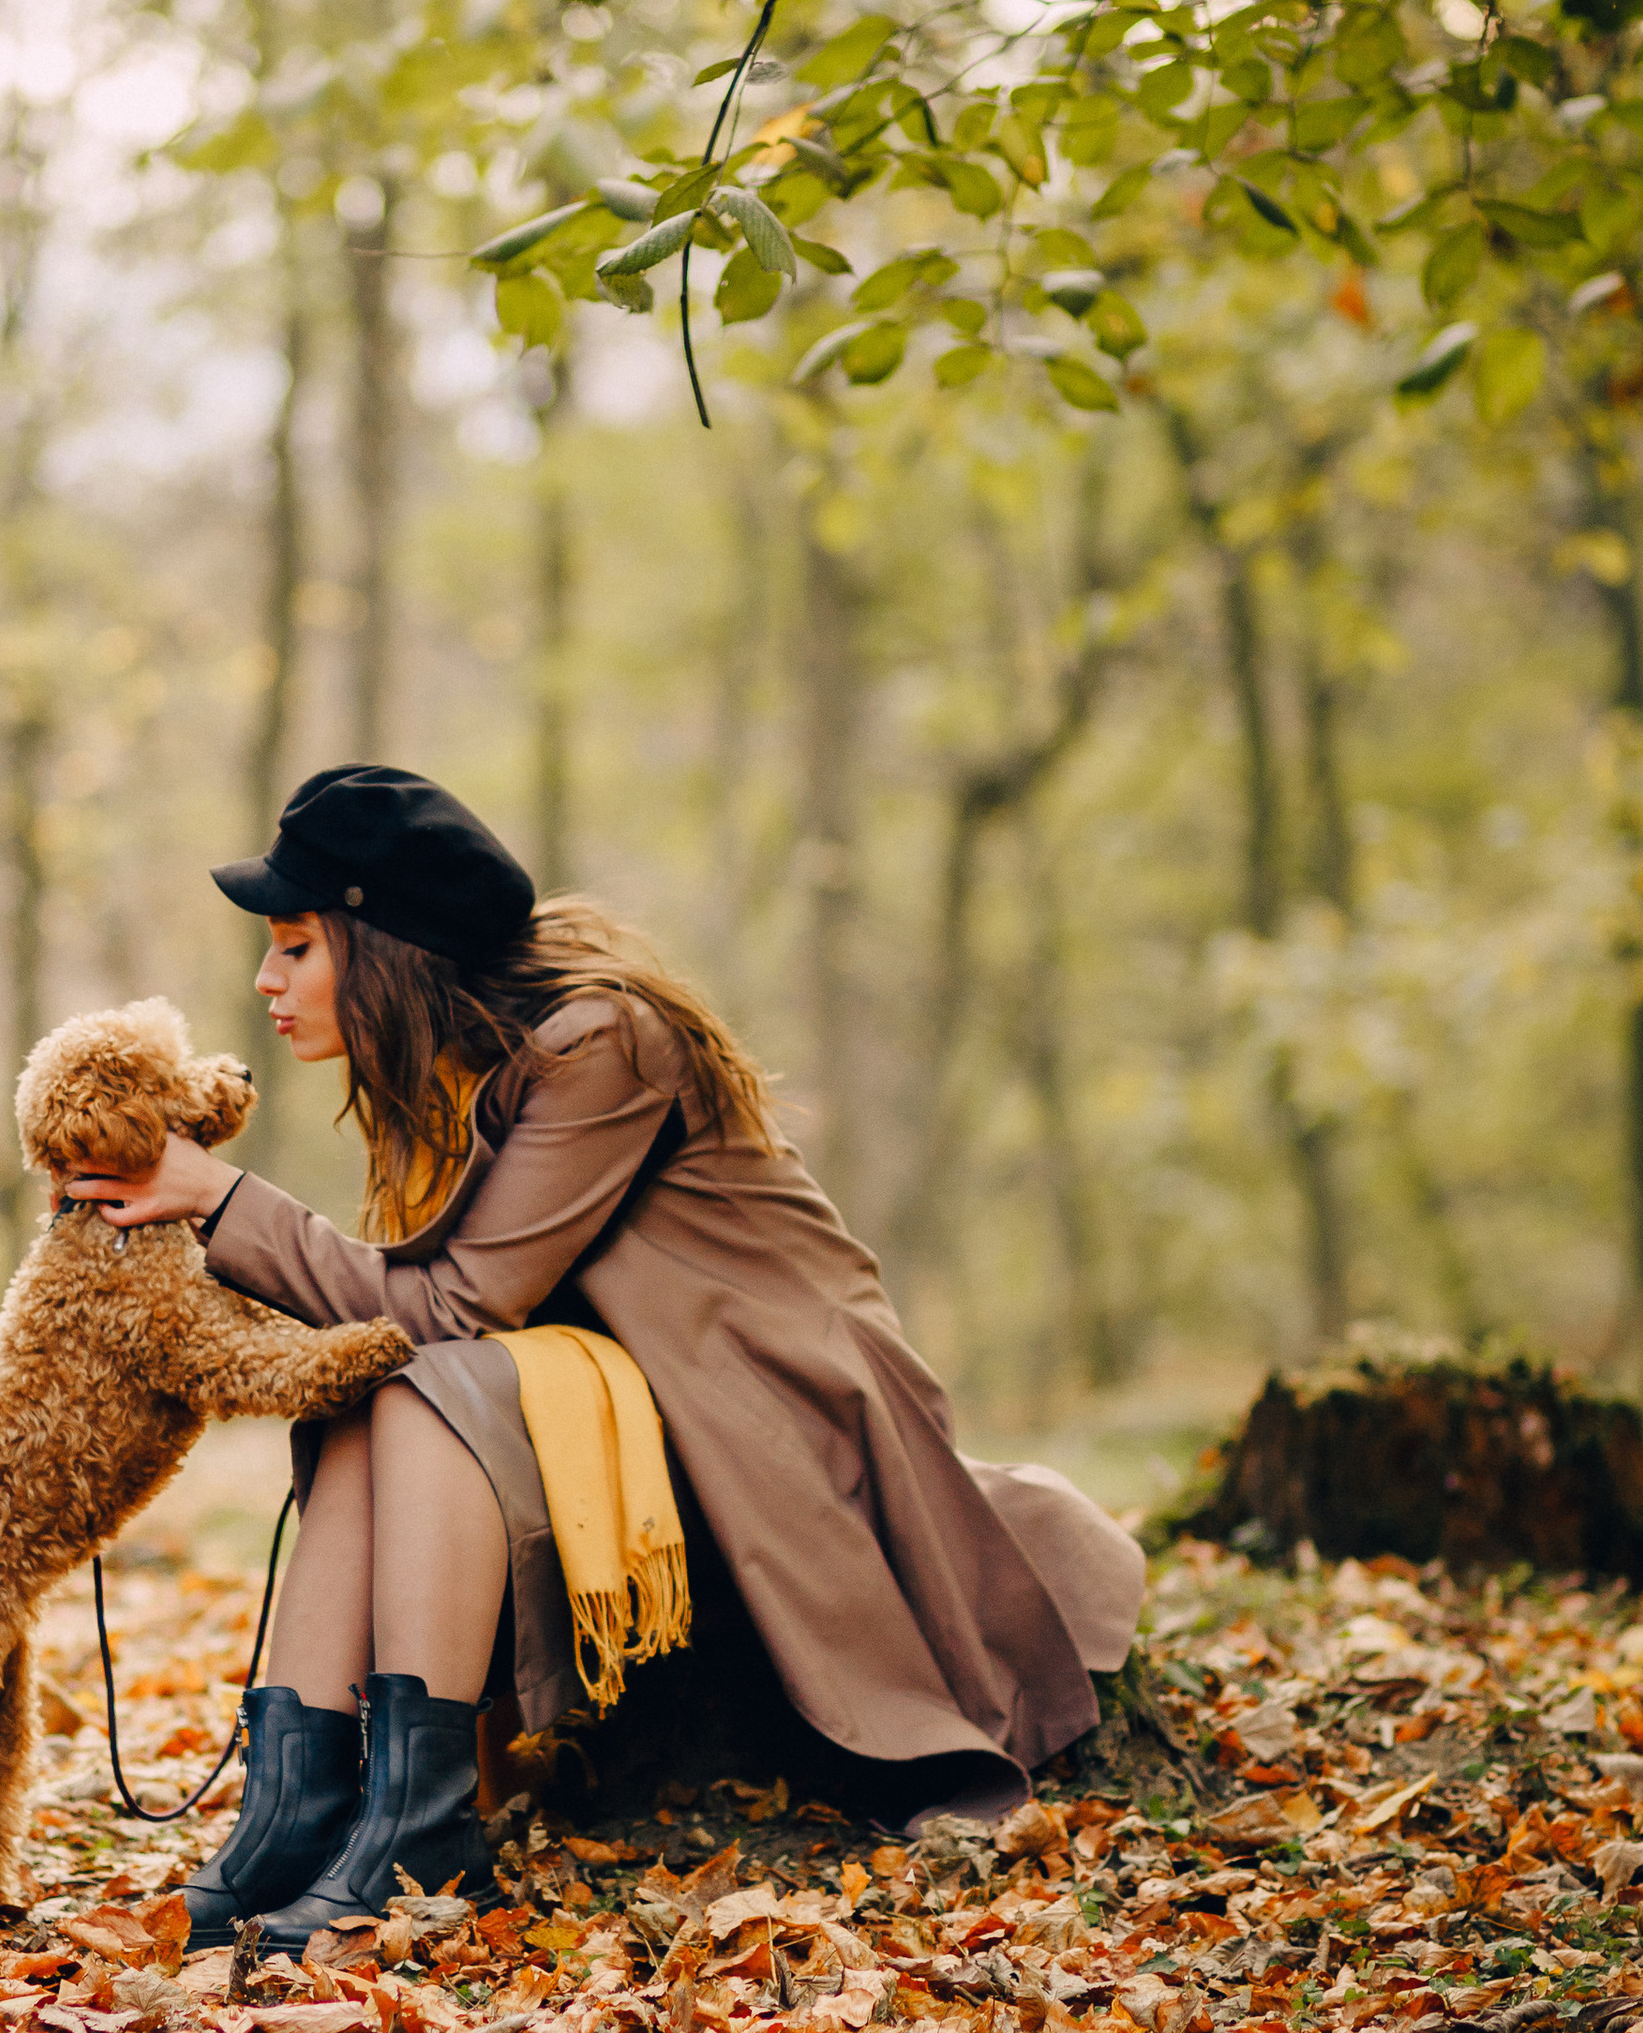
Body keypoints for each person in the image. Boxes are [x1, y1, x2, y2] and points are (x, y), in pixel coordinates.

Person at [67, 763, 1144, 1960]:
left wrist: (220, 1199)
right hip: (630, 1402)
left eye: (296, 945)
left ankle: (416, 1830)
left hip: (773, 1417)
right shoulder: (447, 1064)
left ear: (385, 943)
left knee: (418, 1376)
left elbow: (461, 1302)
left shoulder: (601, 1043)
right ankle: (292, 1818)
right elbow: (438, 1305)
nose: (265, 979)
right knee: (373, 1391)